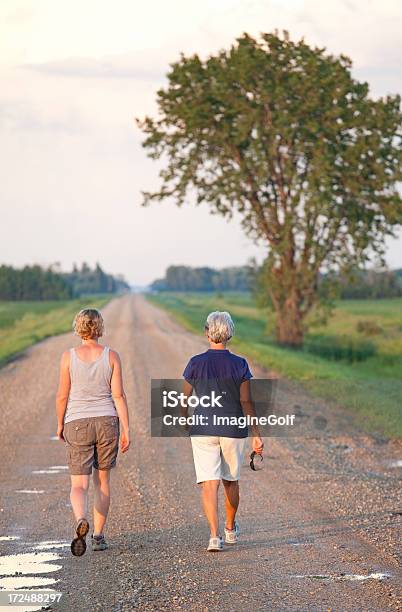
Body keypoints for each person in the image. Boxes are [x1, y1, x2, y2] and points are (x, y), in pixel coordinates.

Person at [182, 311, 263, 552]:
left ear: (207, 332)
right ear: (230, 333)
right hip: (232, 429)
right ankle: (230, 528)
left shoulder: (195, 363)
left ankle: (214, 536)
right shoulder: (240, 364)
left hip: (203, 428)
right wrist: (256, 432)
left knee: (209, 484)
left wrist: (184, 420)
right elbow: (246, 401)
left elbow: (184, 398)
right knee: (230, 481)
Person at [55, 308, 130, 556]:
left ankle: (80, 519)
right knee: (103, 482)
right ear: (99, 327)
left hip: (77, 422)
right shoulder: (112, 356)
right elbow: (118, 396)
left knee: (79, 484)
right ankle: (98, 536)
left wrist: (60, 423)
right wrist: (126, 429)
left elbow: (62, 395)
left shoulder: (68, 357)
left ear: (79, 327)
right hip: (107, 421)